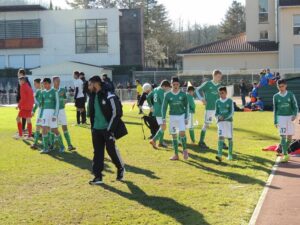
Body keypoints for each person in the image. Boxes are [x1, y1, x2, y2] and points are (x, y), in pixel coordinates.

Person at [87, 76, 127, 185]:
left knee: (111, 151)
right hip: (96, 129)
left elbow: (117, 112)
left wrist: (110, 129)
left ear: (95, 84)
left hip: (108, 129)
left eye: (90, 84)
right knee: (97, 153)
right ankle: (98, 176)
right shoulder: (92, 95)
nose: (88, 87)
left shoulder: (109, 95)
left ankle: (121, 168)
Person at [162, 77, 189, 161]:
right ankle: (176, 155)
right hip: (172, 117)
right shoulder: (167, 95)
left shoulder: (183, 95)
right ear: (171, 85)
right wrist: (163, 119)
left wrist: (186, 117)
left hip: (181, 116)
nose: (175, 86)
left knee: (181, 133)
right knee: (174, 135)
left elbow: (187, 106)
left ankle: (185, 150)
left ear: (179, 85)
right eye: (174, 84)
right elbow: (164, 107)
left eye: (177, 84)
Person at [195, 70, 223, 150]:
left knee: (221, 125)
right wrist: (201, 99)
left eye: (220, 77)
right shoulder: (208, 84)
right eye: (218, 77)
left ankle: (222, 142)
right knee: (206, 125)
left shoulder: (220, 86)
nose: (219, 78)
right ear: (214, 76)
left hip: (217, 109)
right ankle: (201, 142)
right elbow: (197, 90)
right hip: (209, 109)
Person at [273, 79, 298, 163]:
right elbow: (275, 110)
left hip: (290, 117)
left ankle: (285, 150)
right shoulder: (275, 96)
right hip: (281, 118)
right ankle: (285, 153)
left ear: (286, 86)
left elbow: (295, 106)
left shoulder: (290, 94)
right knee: (283, 135)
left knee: (290, 137)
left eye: (282, 86)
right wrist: (275, 121)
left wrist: (294, 114)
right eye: (279, 87)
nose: (281, 88)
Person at [40, 78, 65, 154]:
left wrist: (55, 115)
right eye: (43, 84)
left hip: (52, 113)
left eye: (46, 84)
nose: (44, 85)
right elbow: (42, 105)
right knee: (44, 129)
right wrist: (41, 116)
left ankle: (62, 146)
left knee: (54, 130)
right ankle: (46, 148)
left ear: (49, 84)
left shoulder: (54, 91)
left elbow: (57, 104)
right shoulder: (43, 92)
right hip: (45, 113)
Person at [53, 76, 76, 151]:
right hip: (54, 112)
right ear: (53, 82)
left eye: (59, 81)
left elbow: (65, 99)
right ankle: (56, 144)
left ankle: (69, 145)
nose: (59, 82)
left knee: (64, 127)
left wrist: (63, 101)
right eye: (57, 81)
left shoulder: (62, 90)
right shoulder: (51, 91)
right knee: (54, 129)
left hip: (62, 111)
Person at [148, 80, 171, 149]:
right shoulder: (161, 91)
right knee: (163, 127)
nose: (168, 89)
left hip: (156, 111)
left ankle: (160, 142)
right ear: (163, 86)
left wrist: (151, 106)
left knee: (162, 127)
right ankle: (154, 140)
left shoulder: (155, 89)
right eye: (167, 88)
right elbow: (164, 102)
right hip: (161, 112)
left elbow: (148, 97)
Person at [215, 86, 234, 162]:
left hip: (228, 122)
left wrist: (225, 117)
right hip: (220, 123)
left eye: (222, 93)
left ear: (226, 93)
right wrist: (219, 116)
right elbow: (216, 113)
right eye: (219, 93)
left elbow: (231, 112)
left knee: (230, 138)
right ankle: (219, 155)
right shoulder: (217, 101)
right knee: (220, 137)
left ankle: (230, 155)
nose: (221, 94)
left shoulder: (230, 101)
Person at [31, 78, 43, 149]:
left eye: (35, 83)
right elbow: (37, 104)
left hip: (45, 112)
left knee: (45, 127)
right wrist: (33, 111)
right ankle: (35, 143)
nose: (34, 85)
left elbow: (39, 102)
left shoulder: (44, 92)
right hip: (40, 111)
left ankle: (52, 140)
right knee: (38, 126)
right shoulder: (38, 91)